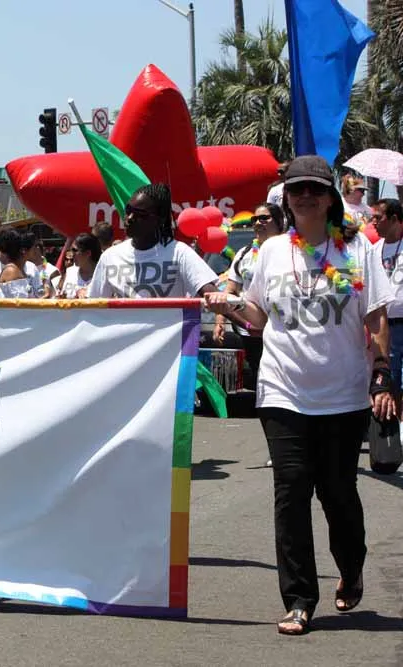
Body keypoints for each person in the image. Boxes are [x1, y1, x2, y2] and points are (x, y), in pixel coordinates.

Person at [206, 155, 394, 636]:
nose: (305, 196)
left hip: (343, 395)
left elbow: (375, 316)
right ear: (285, 199)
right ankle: (299, 600)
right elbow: (258, 316)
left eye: (314, 189)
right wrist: (230, 305)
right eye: (296, 189)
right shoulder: (271, 251)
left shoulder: (357, 249)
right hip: (282, 391)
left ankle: (351, 567)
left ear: (330, 198)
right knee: (290, 492)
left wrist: (381, 372)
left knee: (338, 492)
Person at [88, 184, 219, 299]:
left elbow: (210, 291)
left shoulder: (179, 253)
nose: (130, 218)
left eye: (140, 214)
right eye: (128, 211)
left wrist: (219, 299)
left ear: (159, 220)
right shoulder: (110, 256)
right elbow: (93, 305)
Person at [213, 203, 285, 381]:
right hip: (250, 330)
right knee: (258, 375)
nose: (258, 223)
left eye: (264, 218)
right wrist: (220, 321)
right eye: (255, 219)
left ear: (279, 222)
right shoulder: (243, 254)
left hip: (282, 328)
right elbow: (230, 291)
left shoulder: (291, 251)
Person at [372, 198, 403, 392]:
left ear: (394, 219)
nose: (373, 222)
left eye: (378, 218)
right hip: (385, 327)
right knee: (392, 382)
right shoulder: (372, 250)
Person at [0, 229, 45, 299]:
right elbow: (20, 303)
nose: (36, 250)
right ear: (23, 250)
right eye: (34, 247)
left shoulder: (18, 270)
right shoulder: (12, 271)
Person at [58, 233, 102, 298]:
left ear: (88, 253)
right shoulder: (70, 272)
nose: (72, 254)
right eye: (71, 250)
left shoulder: (102, 276)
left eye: (74, 250)